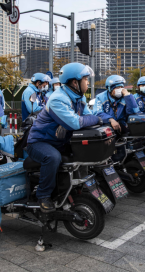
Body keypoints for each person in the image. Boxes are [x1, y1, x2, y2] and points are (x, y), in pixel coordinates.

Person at [26, 63, 103, 212]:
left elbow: (88, 117)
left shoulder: (78, 98)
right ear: (75, 82)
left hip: (59, 141)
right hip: (39, 142)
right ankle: (43, 196)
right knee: (53, 157)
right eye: (86, 79)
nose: (88, 82)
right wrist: (97, 120)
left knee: (83, 151)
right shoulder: (58, 99)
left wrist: (94, 119)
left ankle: (76, 189)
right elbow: (75, 123)